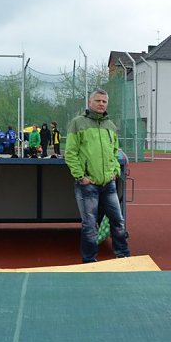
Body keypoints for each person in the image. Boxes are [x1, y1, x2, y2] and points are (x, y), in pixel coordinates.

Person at [64, 89, 131, 263]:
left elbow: (115, 150)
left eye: (104, 101)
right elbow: (70, 152)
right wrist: (81, 177)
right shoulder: (78, 123)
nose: (101, 104)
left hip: (108, 183)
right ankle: (89, 260)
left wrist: (115, 171)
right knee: (90, 225)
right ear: (90, 102)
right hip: (88, 184)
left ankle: (123, 256)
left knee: (118, 221)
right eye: (98, 100)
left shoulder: (110, 125)